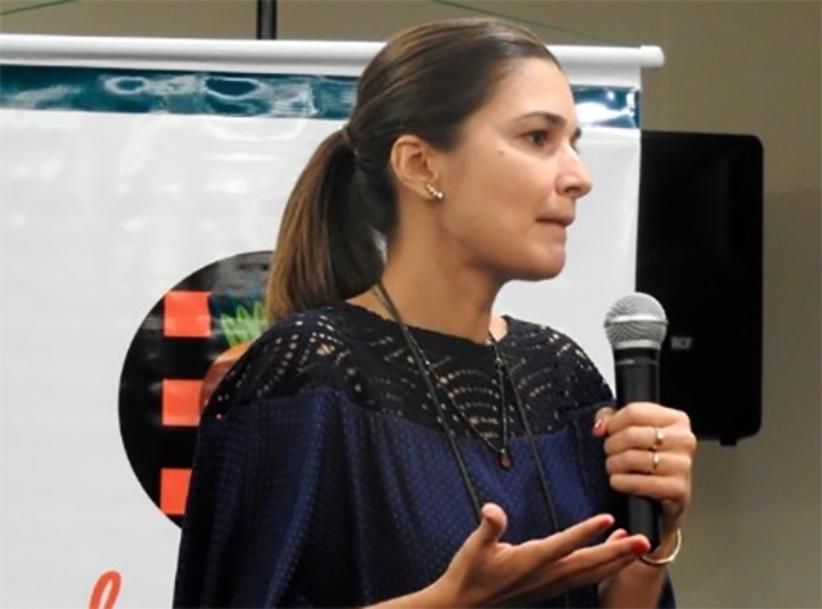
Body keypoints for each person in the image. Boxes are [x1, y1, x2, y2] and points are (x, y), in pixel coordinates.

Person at [173, 16, 696, 608]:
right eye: (537, 138)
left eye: (574, 143)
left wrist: (655, 538)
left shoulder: (560, 376)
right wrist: (448, 602)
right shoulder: (309, 373)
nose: (579, 177)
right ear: (421, 165)